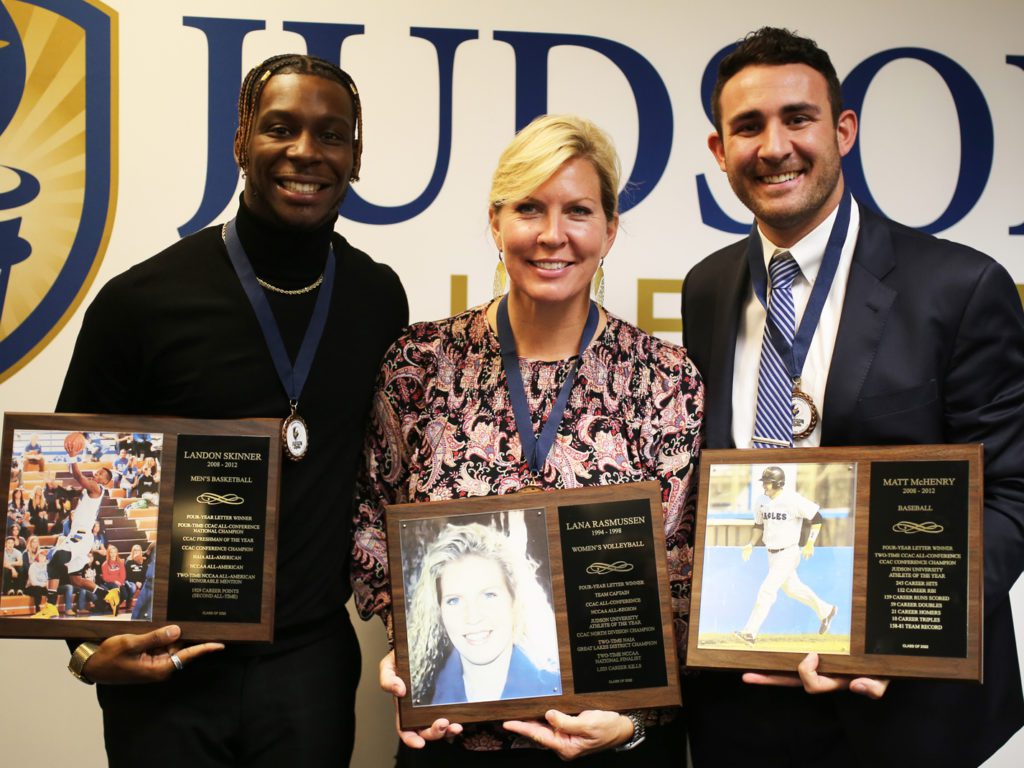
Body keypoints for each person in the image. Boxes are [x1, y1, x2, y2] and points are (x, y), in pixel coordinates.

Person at [681, 26, 1024, 767]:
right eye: (748, 127)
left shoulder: (959, 288)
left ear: (843, 130)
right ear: (719, 151)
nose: (774, 147)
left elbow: (1011, 494)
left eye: (797, 119)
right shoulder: (707, 287)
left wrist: (903, 630)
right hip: (743, 704)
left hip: (903, 707)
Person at [54, 53, 407, 766]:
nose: (307, 152)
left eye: (332, 134)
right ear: (242, 140)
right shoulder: (142, 302)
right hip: (168, 665)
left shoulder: (377, 299)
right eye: (282, 128)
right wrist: (86, 645)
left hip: (308, 663)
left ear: (356, 155)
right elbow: (68, 481)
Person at [354, 113, 703, 764]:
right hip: (455, 743)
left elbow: (684, 570)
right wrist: (409, 645)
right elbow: (375, 519)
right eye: (529, 208)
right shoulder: (420, 363)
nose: (552, 235)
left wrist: (633, 723)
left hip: (612, 745)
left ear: (609, 229)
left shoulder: (663, 378)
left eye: (577, 211)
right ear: (495, 223)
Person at [406, 522, 560, 706]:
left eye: (488, 595)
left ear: (513, 599)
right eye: (454, 600)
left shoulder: (557, 687)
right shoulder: (423, 700)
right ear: (438, 612)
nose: (472, 617)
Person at [733, 465, 835, 645]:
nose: (765, 485)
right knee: (792, 588)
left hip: (788, 552)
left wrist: (810, 542)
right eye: (764, 481)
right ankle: (826, 610)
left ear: (778, 483)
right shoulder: (761, 501)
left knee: (767, 591)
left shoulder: (792, 499)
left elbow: (817, 518)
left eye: (768, 482)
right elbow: (758, 525)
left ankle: (749, 633)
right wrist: (750, 544)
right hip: (771, 553)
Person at [33, 437, 120, 619]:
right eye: (95, 473)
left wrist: (73, 457)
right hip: (80, 536)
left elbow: (78, 476)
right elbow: (73, 485)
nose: (95, 476)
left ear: (104, 481)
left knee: (55, 558)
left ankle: (50, 606)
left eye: (99, 475)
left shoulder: (96, 488)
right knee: (75, 579)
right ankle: (108, 594)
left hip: (80, 537)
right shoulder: (91, 491)